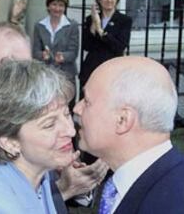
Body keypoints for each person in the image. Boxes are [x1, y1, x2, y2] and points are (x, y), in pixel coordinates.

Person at [0, 23, 107, 208]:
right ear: (8, 142)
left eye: (27, 66)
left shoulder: (35, 140)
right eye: (9, 68)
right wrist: (65, 189)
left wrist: (74, 185)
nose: (70, 131)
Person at [0, 60, 78, 213]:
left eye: (67, 114)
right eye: (50, 124)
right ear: (9, 142)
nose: (71, 131)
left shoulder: (36, 172)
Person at [74, 56, 184, 214]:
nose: (77, 108)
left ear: (122, 120)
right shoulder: (163, 182)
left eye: (87, 102)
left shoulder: (170, 204)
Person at [79, 0, 132, 89]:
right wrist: (93, 26)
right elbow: (86, 46)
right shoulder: (91, 19)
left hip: (112, 71)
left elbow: (119, 47)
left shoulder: (124, 20)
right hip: (91, 70)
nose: (109, 0)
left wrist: (100, 29)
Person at [33, 0, 79, 99]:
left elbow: (73, 52)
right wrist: (43, 55)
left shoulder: (72, 25)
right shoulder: (39, 26)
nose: (57, 8)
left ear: (65, 7)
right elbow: (35, 52)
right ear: (48, 6)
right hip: (46, 74)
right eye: (54, 4)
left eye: (61, 5)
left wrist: (63, 57)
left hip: (66, 73)